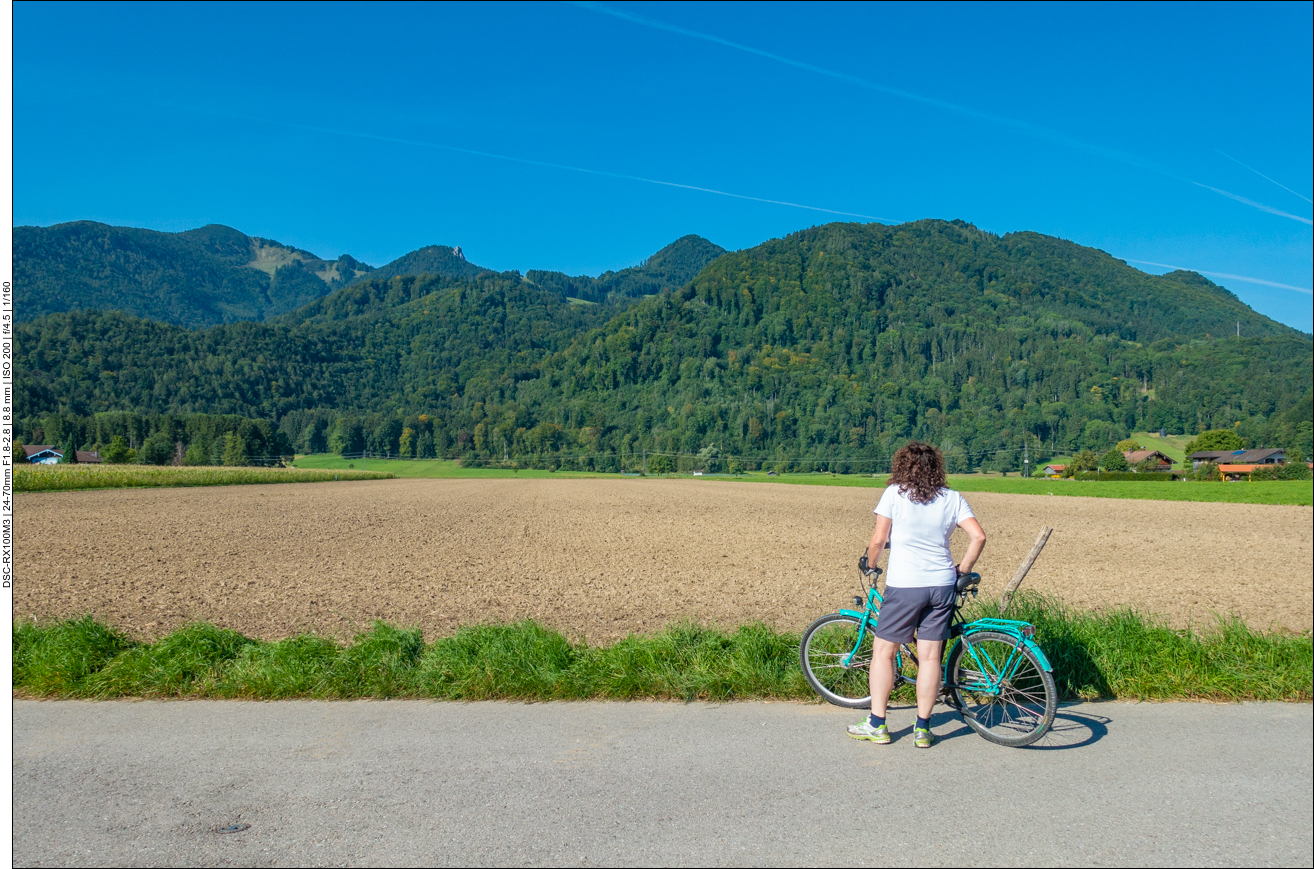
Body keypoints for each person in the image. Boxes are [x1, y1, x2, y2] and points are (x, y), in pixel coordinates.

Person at [847, 442, 986, 748]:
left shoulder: (894, 494)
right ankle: (922, 729)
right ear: (937, 467)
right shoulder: (952, 498)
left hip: (905, 585)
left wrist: (870, 564)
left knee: (884, 651)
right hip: (941, 584)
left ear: (902, 465)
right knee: (930, 657)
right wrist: (963, 567)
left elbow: (879, 539)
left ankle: (877, 724)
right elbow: (978, 536)